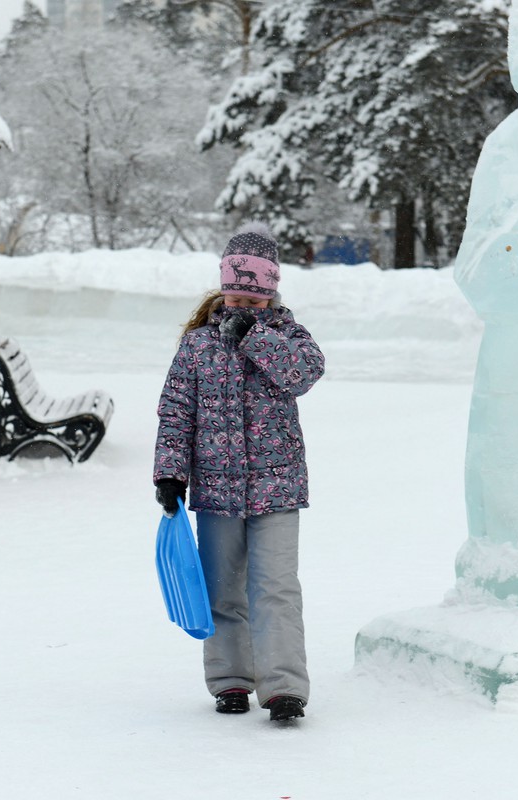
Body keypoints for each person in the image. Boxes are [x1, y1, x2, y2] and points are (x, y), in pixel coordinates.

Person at [153, 222, 325, 722]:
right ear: (224, 288)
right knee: (223, 587)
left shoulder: (287, 334)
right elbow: (176, 411)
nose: (244, 309)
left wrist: (258, 338)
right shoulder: (198, 345)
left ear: (270, 295)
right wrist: (170, 475)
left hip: (279, 487)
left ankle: (284, 687)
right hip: (216, 490)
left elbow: (305, 374)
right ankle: (230, 680)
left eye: (255, 303)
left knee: (275, 588)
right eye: (237, 300)